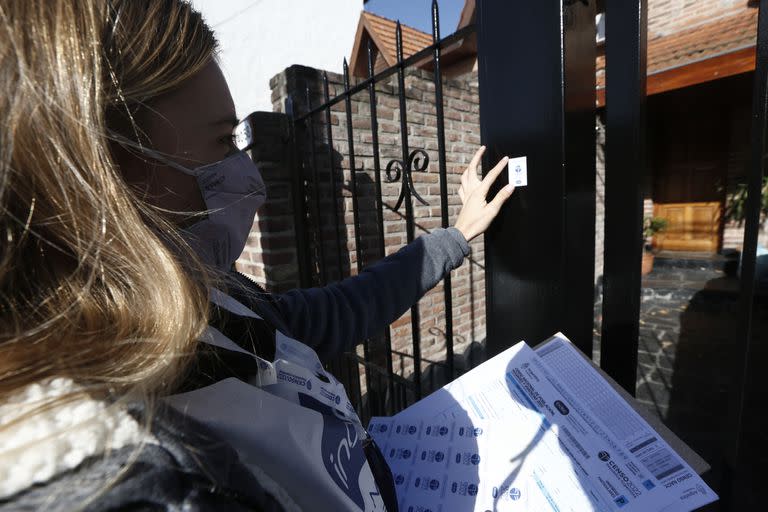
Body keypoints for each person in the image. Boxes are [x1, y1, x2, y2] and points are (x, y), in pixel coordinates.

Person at [0, 0, 513, 510]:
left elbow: (330, 313)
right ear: (99, 173)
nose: (251, 184)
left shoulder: (206, 295)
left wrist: (457, 234)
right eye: (224, 141)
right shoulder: (123, 482)